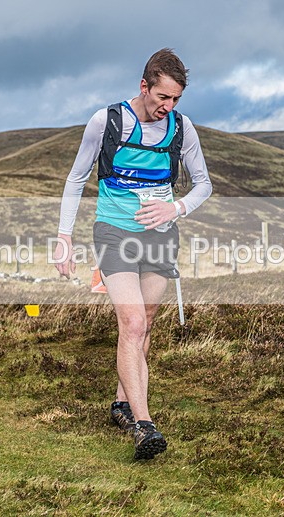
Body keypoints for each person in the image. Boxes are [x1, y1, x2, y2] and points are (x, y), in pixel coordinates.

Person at [54, 49, 212, 459]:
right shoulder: (107, 121)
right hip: (114, 233)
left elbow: (203, 184)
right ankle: (144, 425)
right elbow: (76, 178)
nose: (168, 106)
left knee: (146, 323)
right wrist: (64, 236)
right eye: (162, 97)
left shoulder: (182, 128)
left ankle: (122, 404)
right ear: (144, 86)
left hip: (161, 236)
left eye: (176, 99)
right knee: (133, 321)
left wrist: (175, 208)